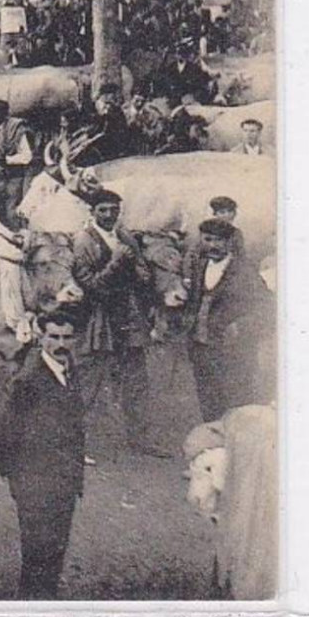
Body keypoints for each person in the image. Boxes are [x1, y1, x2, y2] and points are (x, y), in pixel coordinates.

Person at [0, 308, 87, 600]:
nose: (60, 344)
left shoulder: (70, 371)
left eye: (66, 338)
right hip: (35, 485)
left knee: (55, 551)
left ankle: (45, 605)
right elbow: (0, 429)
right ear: (41, 338)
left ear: (75, 340)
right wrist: (15, 478)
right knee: (37, 555)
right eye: (53, 337)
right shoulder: (29, 380)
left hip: (64, 483)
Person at [71, 188, 164, 457]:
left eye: (114, 209)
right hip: (98, 320)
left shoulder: (125, 237)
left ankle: (141, 439)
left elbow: (145, 276)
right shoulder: (83, 241)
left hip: (128, 317)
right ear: (92, 212)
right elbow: (90, 286)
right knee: (90, 383)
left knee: (136, 381)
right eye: (103, 210)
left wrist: (135, 266)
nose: (110, 215)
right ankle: (76, 445)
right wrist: (116, 262)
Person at [181, 218, 261, 421]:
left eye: (219, 241)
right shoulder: (199, 266)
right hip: (201, 348)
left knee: (236, 404)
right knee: (208, 401)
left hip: (232, 352)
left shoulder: (244, 271)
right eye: (208, 239)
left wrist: (240, 326)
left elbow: (266, 307)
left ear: (229, 242)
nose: (213, 246)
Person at [0, 98, 33, 224]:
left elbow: (27, 156)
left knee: (11, 211)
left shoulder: (16, 128)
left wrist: (7, 160)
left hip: (14, 177)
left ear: (4, 114)